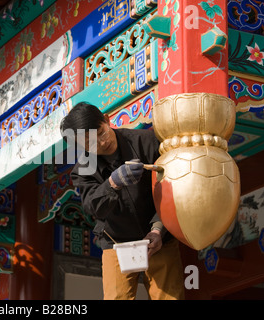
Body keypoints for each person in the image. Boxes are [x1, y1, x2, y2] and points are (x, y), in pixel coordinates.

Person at [60, 102, 185, 300]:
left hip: (159, 237)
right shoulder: (83, 168)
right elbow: (92, 208)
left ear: (107, 119)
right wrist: (112, 183)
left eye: (101, 133)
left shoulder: (147, 142)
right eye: (91, 143)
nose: (101, 143)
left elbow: (174, 188)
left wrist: (158, 229)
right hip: (116, 242)